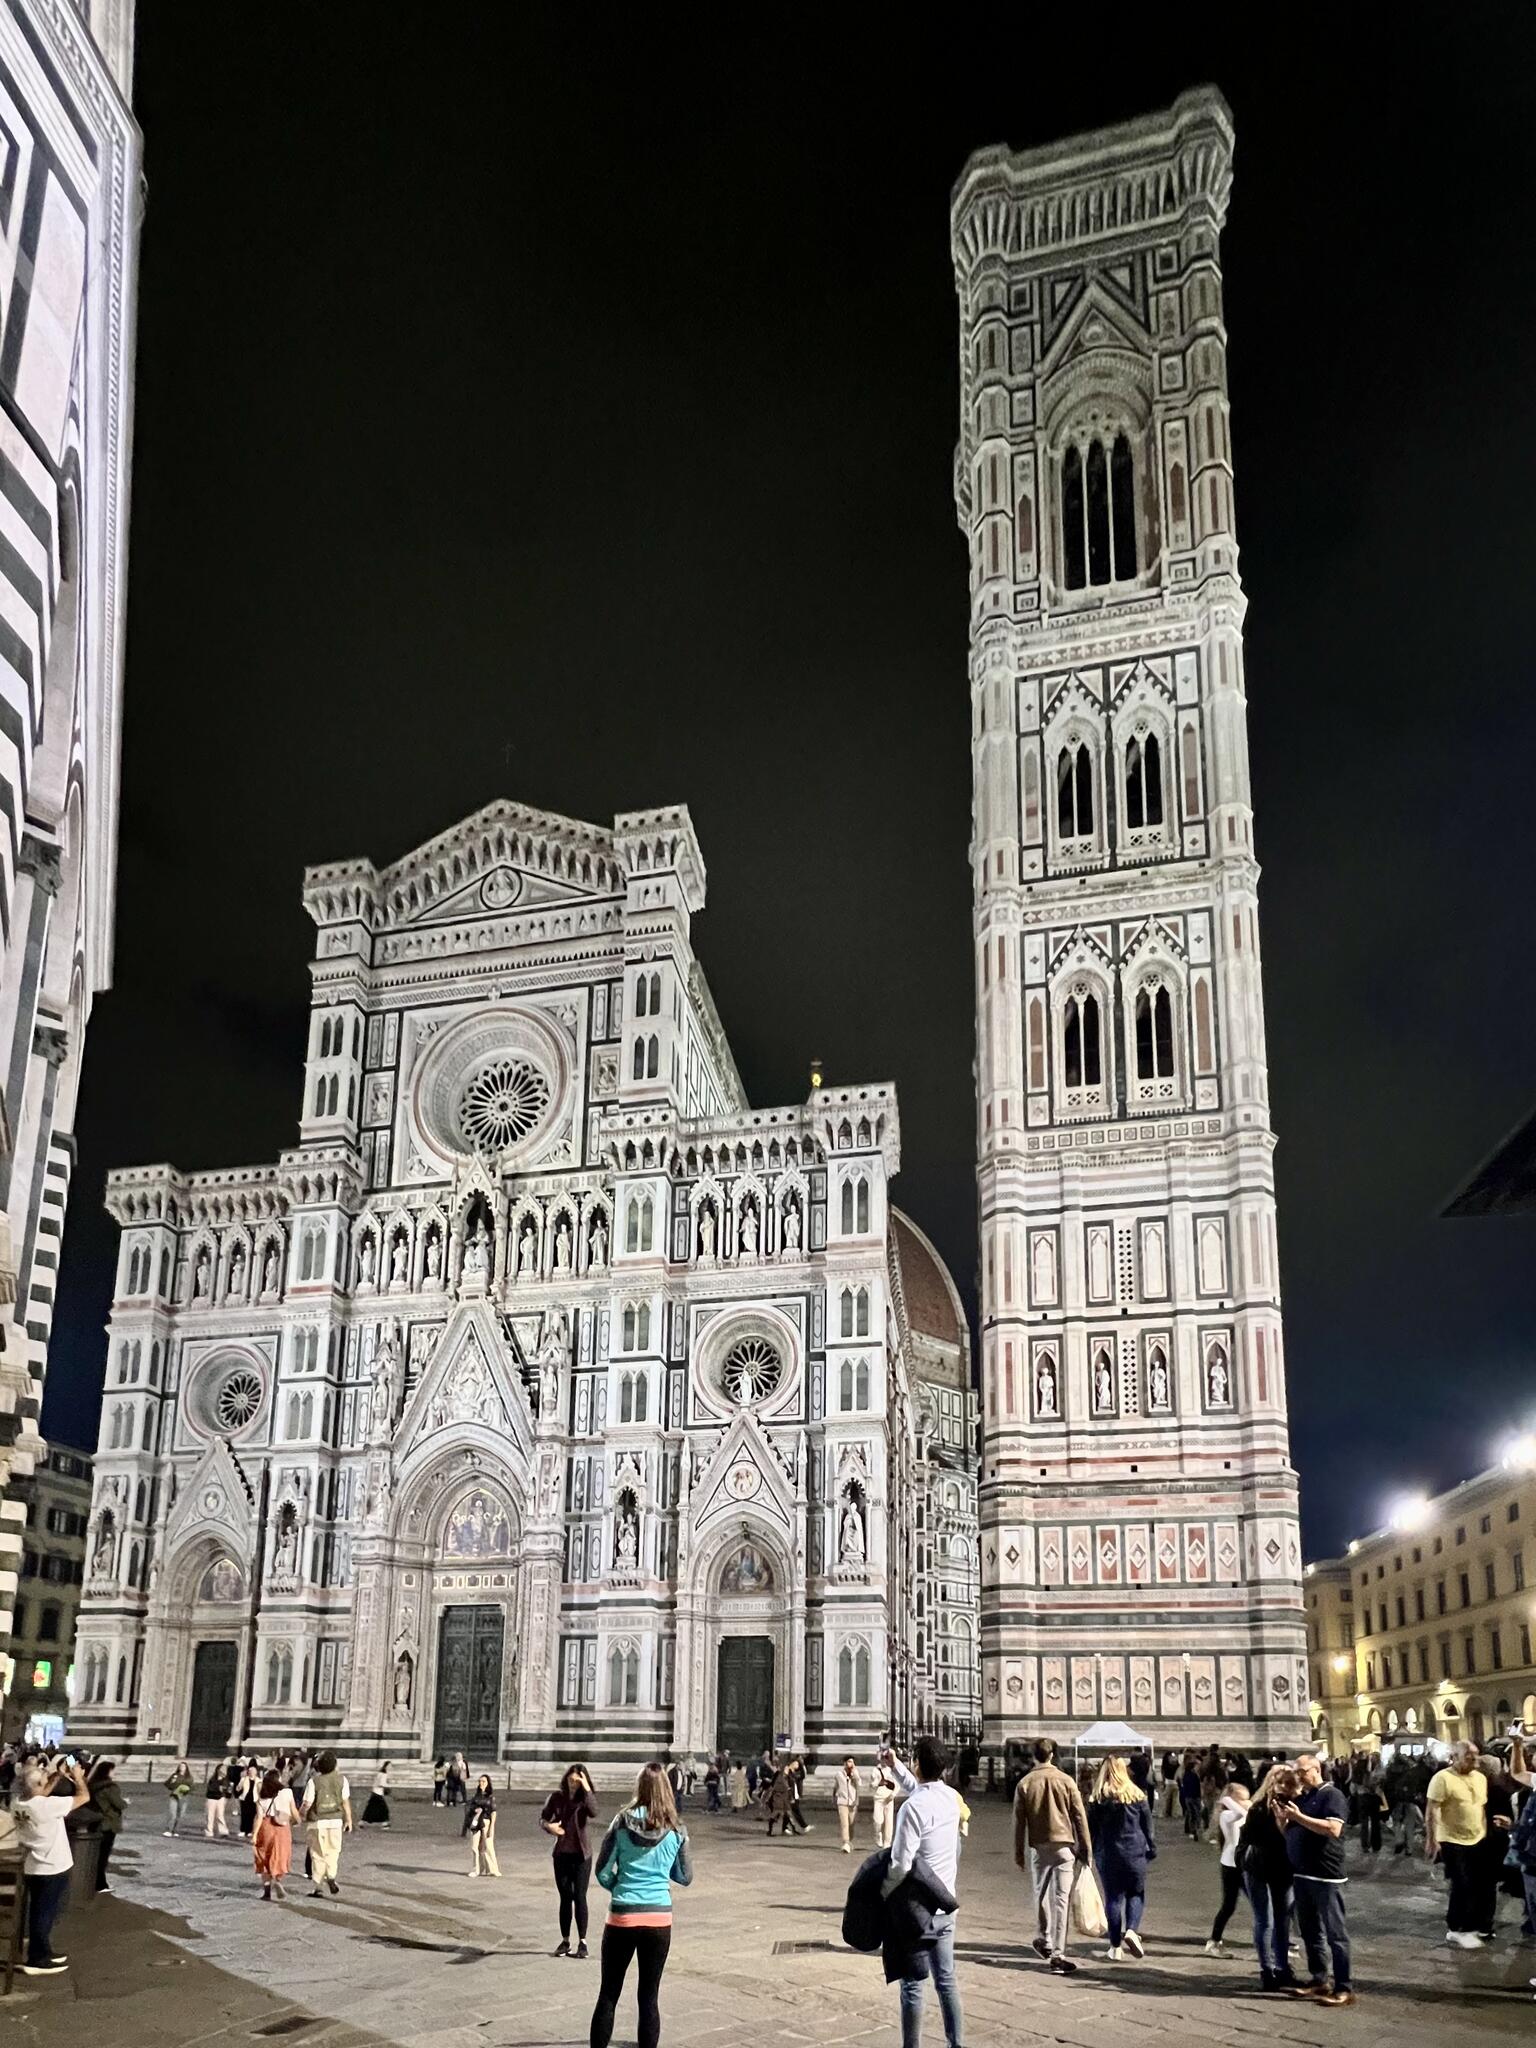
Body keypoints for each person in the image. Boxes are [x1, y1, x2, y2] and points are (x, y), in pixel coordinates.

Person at [590, 1762, 692, 2048]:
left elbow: (602, 1870)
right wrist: (662, 1869)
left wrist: (619, 1887)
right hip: (658, 1919)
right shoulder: (677, 1828)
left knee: (609, 1993)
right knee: (649, 1997)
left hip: (623, 1915)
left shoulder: (621, 1822)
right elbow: (685, 1877)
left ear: (639, 1787)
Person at [880, 1738, 964, 2048]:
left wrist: (885, 1891)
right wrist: (895, 1767)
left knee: (913, 1986)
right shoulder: (951, 1799)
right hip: (945, 1906)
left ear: (917, 1763)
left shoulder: (912, 1807)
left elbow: (900, 1864)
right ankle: (956, 2044)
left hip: (916, 1911)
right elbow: (922, 1788)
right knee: (946, 1981)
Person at [1276, 1752, 1353, 2006]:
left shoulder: (1332, 1795)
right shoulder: (1304, 1798)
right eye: (1296, 1772)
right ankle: (1320, 1979)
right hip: (1302, 1873)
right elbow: (1292, 1833)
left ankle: (1343, 1987)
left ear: (1316, 1769)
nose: (1298, 1777)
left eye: (1302, 1772)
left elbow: (1333, 1828)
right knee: (1311, 1931)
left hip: (1326, 1875)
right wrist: (1283, 1821)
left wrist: (1299, 1817)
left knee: (1335, 1934)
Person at [1013, 1737, 1091, 1975]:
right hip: (1064, 1846)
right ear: (1052, 1755)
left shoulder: (1025, 1783)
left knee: (1040, 1894)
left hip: (1039, 1846)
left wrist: (1018, 1851)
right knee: (1061, 1900)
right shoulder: (1066, 1781)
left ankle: (1043, 1937)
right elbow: (1079, 1816)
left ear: (1033, 1756)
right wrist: (1085, 1847)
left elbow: (1018, 1822)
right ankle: (1058, 1954)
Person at [14, 1757, 89, 1974]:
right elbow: (84, 1797)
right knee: (45, 1913)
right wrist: (78, 1778)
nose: (47, 1781)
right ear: (38, 1784)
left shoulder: (18, 1802)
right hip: (52, 1866)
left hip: (33, 1865)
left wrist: (57, 1776)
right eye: (44, 1779)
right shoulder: (48, 1806)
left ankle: (42, 1951)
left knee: (39, 1910)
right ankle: (37, 1959)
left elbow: (40, 1794)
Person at [1237, 1765, 1300, 1992]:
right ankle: (1267, 1970)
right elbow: (1245, 1839)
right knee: (1265, 1920)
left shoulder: (1296, 1809)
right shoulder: (1259, 1808)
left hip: (1283, 1869)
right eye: (1279, 1783)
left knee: (1282, 1921)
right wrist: (1242, 1860)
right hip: (1258, 1867)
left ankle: (1281, 1968)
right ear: (1271, 1784)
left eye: (1287, 1783)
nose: (1282, 1788)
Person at [1087, 1755, 1155, 1961]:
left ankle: (1115, 1947)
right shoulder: (1137, 1796)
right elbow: (1148, 1827)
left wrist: (1086, 1852)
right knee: (1136, 1893)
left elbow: (1091, 1830)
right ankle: (1132, 1930)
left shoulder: (1098, 1799)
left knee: (1113, 1898)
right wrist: (1151, 1848)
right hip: (1135, 1852)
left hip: (1108, 1854)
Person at [1425, 1739, 1488, 1949]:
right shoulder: (1442, 1778)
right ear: (1454, 1758)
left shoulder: (1480, 1778)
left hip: (1477, 1838)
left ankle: (1472, 1924)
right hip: (1451, 1839)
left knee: (1477, 1884)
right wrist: (1432, 1839)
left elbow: (1480, 1807)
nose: (1474, 1761)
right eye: (1468, 1758)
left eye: (1476, 1756)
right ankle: (1457, 1928)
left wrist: (1484, 1830)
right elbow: (1432, 1810)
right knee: (1461, 1883)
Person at [541, 1762, 599, 1955]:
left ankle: (583, 1942)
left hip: (582, 1855)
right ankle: (565, 1941)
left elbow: (594, 1812)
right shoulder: (556, 1798)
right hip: (562, 1854)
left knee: (580, 1897)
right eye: (570, 1780)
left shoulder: (585, 1800)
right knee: (565, 1897)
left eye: (577, 1781)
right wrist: (548, 1827)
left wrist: (587, 1788)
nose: (573, 1784)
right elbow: (543, 1818)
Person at [1204, 1780, 1250, 1955]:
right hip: (1231, 1865)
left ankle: (1214, 1940)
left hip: (1242, 1863)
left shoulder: (1238, 1814)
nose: (1246, 1802)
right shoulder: (1227, 1815)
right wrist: (1227, 1799)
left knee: (1258, 1904)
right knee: (1229, 1905)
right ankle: (1214, 1940)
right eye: (1242, 1799)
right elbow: (1243, 1812)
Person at [300, 1749, 353, 1898]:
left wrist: (299, 1815)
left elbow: (307, 1803)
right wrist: (348, 1820)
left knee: (317, 1854)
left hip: (317, 1822)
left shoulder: (314, 1782)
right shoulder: (342, 1780)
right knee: (333, 1851)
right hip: (335, 1821)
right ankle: (331, 1875)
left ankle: (318, 1887)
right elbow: (345, 1802)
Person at [253, 1768, 299, 1902]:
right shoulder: (287, 1792)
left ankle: (267, 1891)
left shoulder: (262, 1798)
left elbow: (259, 1817)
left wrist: (254, 1835)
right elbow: (293, 1811)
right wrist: (298, 1820)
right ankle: (277, 1879)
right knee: (280, 1855)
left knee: (264, 1856)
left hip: (266, 1827)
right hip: (282, 1828)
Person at [88, 1760, 126, 1894]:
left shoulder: (93, 1784)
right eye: (113, 1770)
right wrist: (125, 1802)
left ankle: (93, 1881)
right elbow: (119, 1804)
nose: (114, 1773)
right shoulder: (110, 1787)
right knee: (103, 1856)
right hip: (108, 1823)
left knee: (95, 1855)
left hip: (95, 1822)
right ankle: (100, 1884)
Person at [466, 1774, 500, 1877]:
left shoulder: (490, 1797)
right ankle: (476, 1869)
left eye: (483, 1781)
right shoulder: (475, 1796)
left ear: (488, 1783)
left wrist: (492, 1827)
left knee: (488, 1846)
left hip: (486, 1821)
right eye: (480, 1781)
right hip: (476, 1822)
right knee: (475, 1846)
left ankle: (492, 1869)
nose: (481, 1783)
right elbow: (470, 1808)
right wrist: (474, 1810)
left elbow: (493, 1812)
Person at [834, 1756, 862, 1854]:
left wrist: (854, 1774)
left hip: (852, 1802)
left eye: (852, 1762)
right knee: (844, 1823)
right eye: (849, 1762)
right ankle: (845, 1842)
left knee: (851, 1823)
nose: (850, 1764)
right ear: (845, 1763)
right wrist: (834, 1796)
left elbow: (859, 1785)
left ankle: (850, 1841)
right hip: (842, 1801)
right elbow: (836, 1786)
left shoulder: (855, 1773)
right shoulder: (839, 1774)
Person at [872, 1756, 899, 1848]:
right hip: (878, 1798)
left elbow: (897, 1785)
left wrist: (893, 1795)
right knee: (878, 1821)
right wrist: (878, 1783)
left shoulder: (891, 1771)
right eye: (882, 1759)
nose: (884, 1761)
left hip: (889, 1799)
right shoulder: (875, 1770)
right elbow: (872, 1784)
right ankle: (877, 1835)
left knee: (889, 1822)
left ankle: (887, 1842)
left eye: (886, 1759)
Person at [164, 1759, 194, 1837]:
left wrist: (186, 1789)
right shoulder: (175, 1775)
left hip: (184, 1797)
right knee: (172, 1813)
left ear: (186, 1768)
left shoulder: (189, 1777)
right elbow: (167, 1784)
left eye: (183, 1766)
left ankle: (176, 1830)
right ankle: (169, 1830)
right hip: (174, 1796)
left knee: (181, 1814)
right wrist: (172, 1783)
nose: (182, 1767)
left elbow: (192, 1787)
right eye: (180, 1766)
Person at [765, 1764, 796, 1839]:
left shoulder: (786, 1778)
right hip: (779, 1799)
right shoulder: (780, 1778)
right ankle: (769, 1831)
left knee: (788, 1814)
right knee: (776, 1814)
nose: (787, 1770)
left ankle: (793, 1829)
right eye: (786, 1769)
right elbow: (777, 1788)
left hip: (784, 1799)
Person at [1179, 1751, 1204, 1838]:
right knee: (1196, 1814)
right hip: (1195, 1797)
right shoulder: (1194, 1776)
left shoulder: (1185, 1774)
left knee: (1190, 1813)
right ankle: (1196, 1829)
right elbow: (1197, 1787)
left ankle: (1190, 1829)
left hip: (1188, 1797)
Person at [204, 1760, 231, 1838]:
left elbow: (228, 1790)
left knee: (220, 1815)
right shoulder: (212, 1779)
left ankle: (223, 1831)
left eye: (225, 1770)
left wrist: (228, 1793)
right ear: (218, 1770)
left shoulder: (226, 1780)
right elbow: (210, 1788)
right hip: (211, 1798)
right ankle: (209, 1831)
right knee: (210, 1815)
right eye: (222, 1769)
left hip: (220, 1799)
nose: (224, 1771)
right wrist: (218, 1788)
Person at [362, 1761, 392, 1828]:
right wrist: (388, 1786)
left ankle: (362, 1822)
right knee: (384, 1809)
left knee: (370, 1809)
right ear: (386, 1766)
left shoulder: (380, 1773)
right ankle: (385, 1824)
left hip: (375, 1793)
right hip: (378, 1794)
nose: (390, 1767)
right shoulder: (384, 1774)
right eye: (389, 1766)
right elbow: (381, 1784)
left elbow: (376, 1783)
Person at [237, 1757, 260, 1841]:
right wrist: (239, 1787)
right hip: (245, 1799)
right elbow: (238, 1788)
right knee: (244, 1815)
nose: (251, 1772)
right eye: (250, 1771)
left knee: (252, 1815)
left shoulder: (259, 1780)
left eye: (253, 1771)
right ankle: (243, 1830)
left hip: (254, 1799)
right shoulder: (244, 1779)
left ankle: (249, 1830)